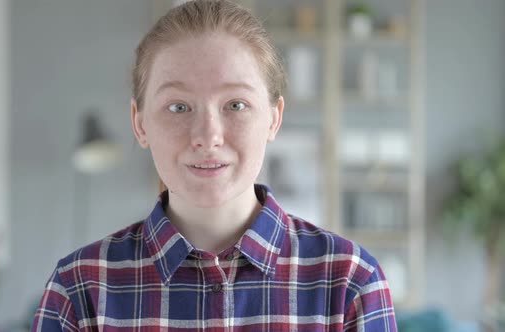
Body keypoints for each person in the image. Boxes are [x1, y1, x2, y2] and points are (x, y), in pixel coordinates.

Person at [32, 1, 397, 331]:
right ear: (139, 123)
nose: (207, 137)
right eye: (179, 107)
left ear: (273, 119)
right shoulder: (79, 289)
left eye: (235, 105)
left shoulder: (351, 282)